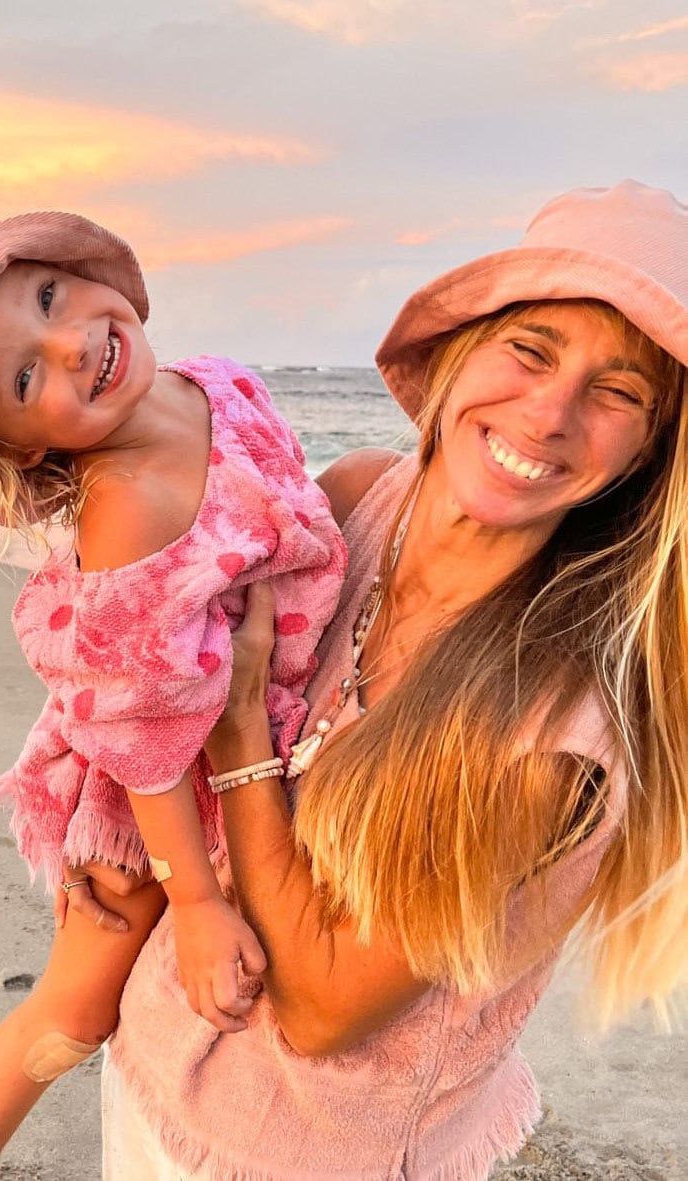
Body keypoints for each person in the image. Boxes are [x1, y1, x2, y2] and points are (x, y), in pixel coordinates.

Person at [98, 179, 688, 1179]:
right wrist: (117, 838)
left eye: (618, 391)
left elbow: (326, 1005)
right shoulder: (355, 498)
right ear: (462, 352)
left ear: (648, 454)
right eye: (530, 350)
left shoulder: (553, 736)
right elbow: (155, 669)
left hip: (307, 1153)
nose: (547, 415)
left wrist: (242, 740)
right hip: (156, 1057)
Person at [0, 212, 346, 1179]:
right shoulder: (132, 509)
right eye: (26, 379)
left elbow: (291, 516)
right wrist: (198, 903)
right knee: (75, 1009)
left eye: (48, 300)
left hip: (258, 729)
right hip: (154, 799)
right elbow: (148, 741)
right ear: (28, 450)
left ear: (72, 268)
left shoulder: (220, 384)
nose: (73, 344)